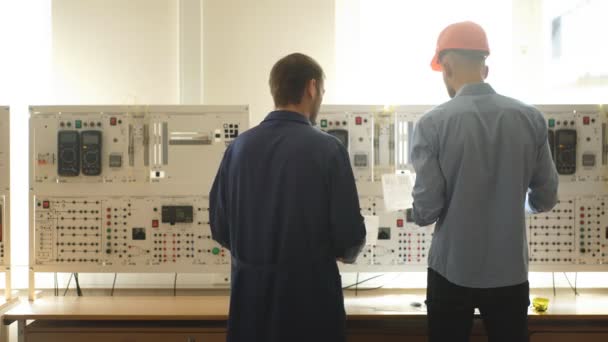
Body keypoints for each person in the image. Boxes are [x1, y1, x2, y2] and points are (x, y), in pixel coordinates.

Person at [410, 21, 559, 342]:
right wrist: (513, 201)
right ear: (485, 69)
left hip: (452, 271)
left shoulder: (431, 124)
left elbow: (426, 210)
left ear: (445, 67)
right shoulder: (530, 118)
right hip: (509, 273)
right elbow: (546, 197)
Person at [209, 52, 366, 342]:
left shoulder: (238, 148)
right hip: (311, 309)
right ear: (311, 87)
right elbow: (349, 235)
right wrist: (347, 253)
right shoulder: (328, 150)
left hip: (250, 307)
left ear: (275, 90)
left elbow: (220, 228)